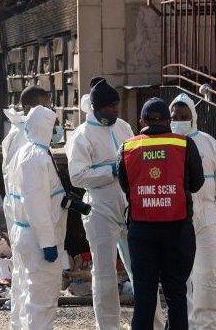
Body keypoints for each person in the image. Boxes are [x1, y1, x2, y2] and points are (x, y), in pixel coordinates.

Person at [117, 98, 204, 330]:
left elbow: (126, 186)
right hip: (177, 230)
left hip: (142, 230)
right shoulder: (184, 144)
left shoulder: (128, 147)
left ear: (142, 121)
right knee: (176, 294)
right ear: (168, 120)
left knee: (144, 295)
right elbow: (197, 183)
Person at [65, 77, 135, 329]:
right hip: (100, 208)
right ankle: (108, 326)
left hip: (129, 205)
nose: (115, 111)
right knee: (105, 272)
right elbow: (78, 176)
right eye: (109, 107)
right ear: (96, 108)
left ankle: (150, 323)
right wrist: (112, 171)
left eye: (116, 106)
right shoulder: (81, 136)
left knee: (140, 268)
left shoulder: (123, 127)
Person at [168, 94, 216, 329]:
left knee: (206, 276)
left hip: (207, 218)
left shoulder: (208, 142)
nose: (180, 121)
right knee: (182, 278)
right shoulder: (166, 143)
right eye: (175, 117)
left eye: (184, 116)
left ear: (193, 118)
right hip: (177, 219)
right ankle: (185, 323)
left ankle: (206, 324)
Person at [5, 105, 65, 330]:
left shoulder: (29, 151)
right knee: (43, 302)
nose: (57, 130)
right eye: (55, 125)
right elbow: (37, 206)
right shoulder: (37, 157)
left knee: (32, 297)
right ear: (45, 127)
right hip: (38, 239)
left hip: (29, 234)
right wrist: (48, 243)